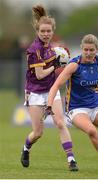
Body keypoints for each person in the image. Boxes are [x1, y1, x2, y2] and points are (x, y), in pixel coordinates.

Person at [46, 34, 98, 175]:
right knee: (91, 131)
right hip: (76, 109)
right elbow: (56, 85)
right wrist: (48, 105)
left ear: (97, 50)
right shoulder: (74, 65)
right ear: (82, 49)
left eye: (91, 50)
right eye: (86, 50)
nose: (89, 53)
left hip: (96, 106)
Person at [20, 4, 78, 171]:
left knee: (60, 123)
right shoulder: (34, 49)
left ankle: (71, 159)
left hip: (51, 90)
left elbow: (61, 60)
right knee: (38, 133)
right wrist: (56, 65)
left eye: (49, 31)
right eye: (42, 31)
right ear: (38, 32)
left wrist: (65, 59)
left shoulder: (53, 48)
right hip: (35, 93)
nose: (46, 34)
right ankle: (26, 149)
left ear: (53, 31)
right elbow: (39, 75)